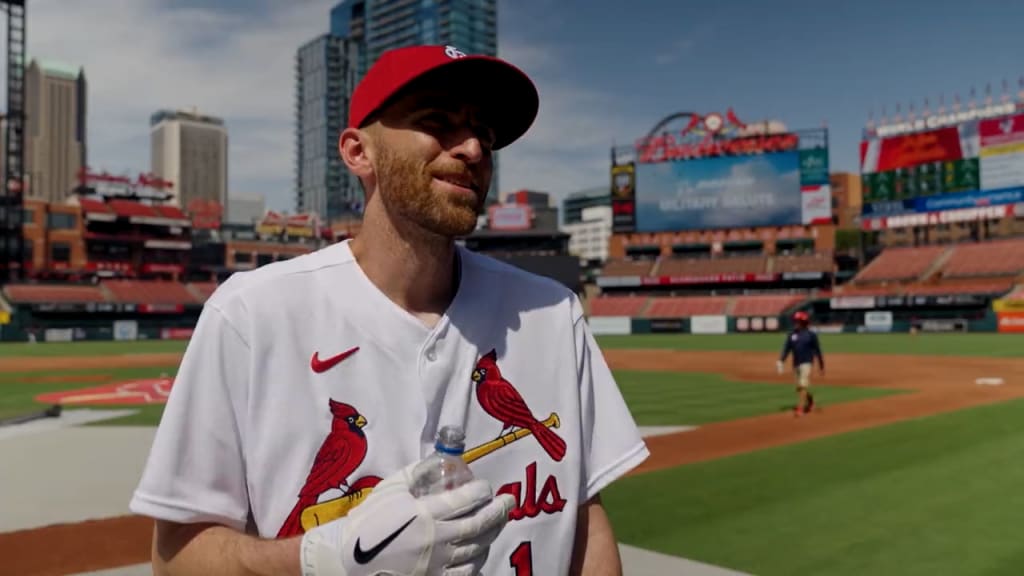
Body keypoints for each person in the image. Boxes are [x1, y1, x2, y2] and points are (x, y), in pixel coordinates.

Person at [129, 44, 649, 576]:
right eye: (437, 121)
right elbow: (177, 557)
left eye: (484, 136)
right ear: (359, 152)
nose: (472, 147)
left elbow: (586, 521)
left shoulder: (553, 314)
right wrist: (324, 558)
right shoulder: (250, 316)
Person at [776, 311, 825, 416]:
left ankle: (800, 409)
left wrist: (821, 366)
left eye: (798, 321)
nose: (796, 323)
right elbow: (787, 348)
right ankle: (810, 401)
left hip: (807, 363)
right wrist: (781, 360)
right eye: (796, 321)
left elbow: (817, 351)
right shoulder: (792, 334)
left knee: (802, 385)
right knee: (799, 387)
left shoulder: (811, 335)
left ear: (804, 322)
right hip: (796, 363)